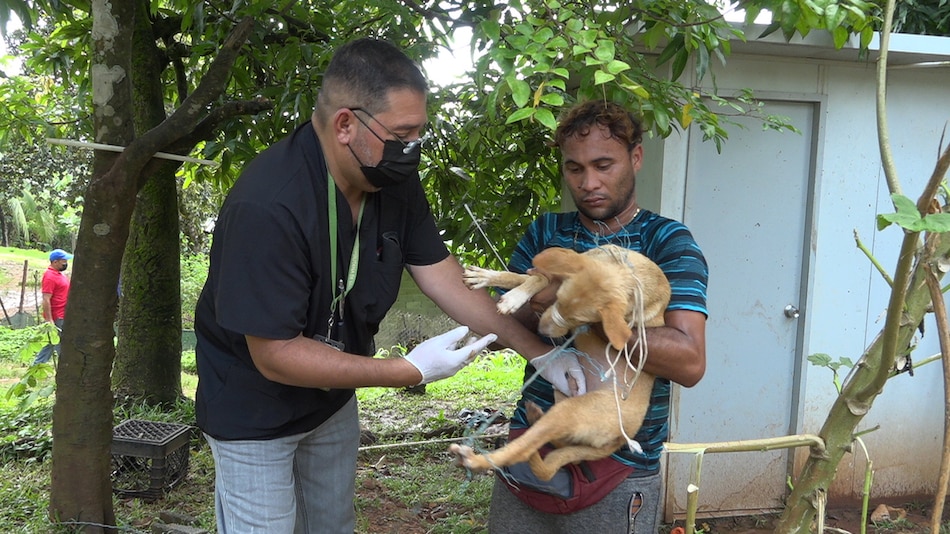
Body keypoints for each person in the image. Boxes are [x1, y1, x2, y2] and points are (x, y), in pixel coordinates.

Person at [193, 37, 586, 534]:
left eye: (419, 133)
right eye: (403, 134)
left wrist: (540, 354)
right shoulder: (268, 205)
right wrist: (409, 370)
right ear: (345, 125)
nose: (412, 148)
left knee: (332, 526)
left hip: (332, 397)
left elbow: (443, 275)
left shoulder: (388, 177)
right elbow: (275, 354)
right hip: (254, 408)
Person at [488, 100, 709, 534]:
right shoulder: (546, 232)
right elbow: (497, 330)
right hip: (531, 442)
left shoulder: (667, 241)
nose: (588, 183)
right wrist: (539, 312)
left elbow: (689, 362)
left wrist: (579, 311)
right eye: (574, 169)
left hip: (619, 467)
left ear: (636, 157)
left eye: (603, 165)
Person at [33, 248, 73, 364]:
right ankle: (64, 367)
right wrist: (49, 319)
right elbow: (46, 299)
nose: (66, 263)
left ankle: (37, 366)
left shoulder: (59, 274)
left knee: (52, 343)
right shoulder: (49, 276)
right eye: (63, 261)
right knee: (59, 344)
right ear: (55, 262)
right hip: (57, 316)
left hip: (63, 314)